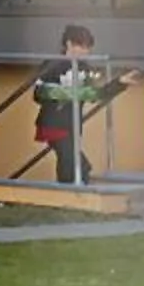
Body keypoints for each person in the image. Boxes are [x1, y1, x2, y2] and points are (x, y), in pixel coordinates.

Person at [33, 23, 119, 185]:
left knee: (68, 160)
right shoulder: (53, 64)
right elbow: (38, 93)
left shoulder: (86, 68)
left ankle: (66, 192)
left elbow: (95, 94)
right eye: (81, 46)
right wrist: (66, 93)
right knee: (76, 162)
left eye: (87, 47)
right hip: (52, 124)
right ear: (69, 44)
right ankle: (71, 192)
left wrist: (120, 83)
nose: (85, 51)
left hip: (72, 125)